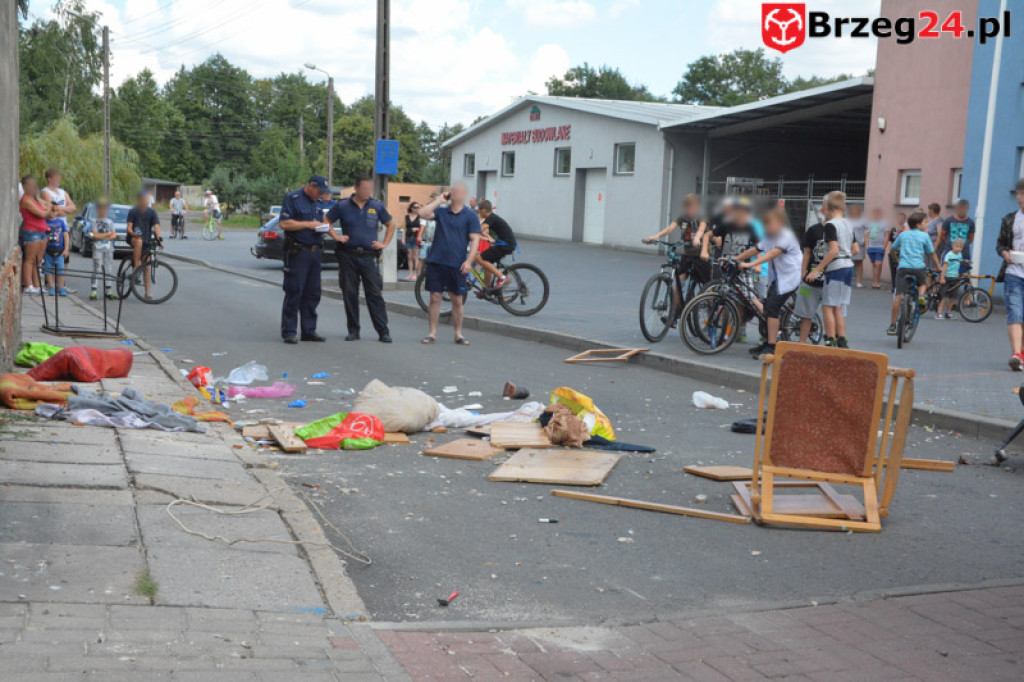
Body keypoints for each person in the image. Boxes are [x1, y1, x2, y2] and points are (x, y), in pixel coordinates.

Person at [326, 176, 395, 343]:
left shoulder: (376, 206)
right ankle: (353, 330)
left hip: (368, 256)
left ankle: (383, 331)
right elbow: (326, 221)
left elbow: (391, 224)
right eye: (364, 188)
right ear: (356, 188)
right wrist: (336, 236)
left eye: (369, 189)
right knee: (350, 293)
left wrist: (384, 243)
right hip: (348, 255)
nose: (367, 192)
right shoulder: (342, 205)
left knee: (375, 294)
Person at [415, 182, 480, 345]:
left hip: (457, 262)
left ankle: (458, 334)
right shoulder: (442, 211)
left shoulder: (470, 215)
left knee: (457, 300)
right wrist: (439, 200)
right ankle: (432, 333)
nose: (455, 193)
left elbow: (475, 239)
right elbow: (422, 213)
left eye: (458, 191)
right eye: (453, 191)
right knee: (435, 297)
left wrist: (469, 261)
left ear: (464, 194)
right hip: (437, 260)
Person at [737, 207, 802, 357]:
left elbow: (772, 254)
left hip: (790, 278)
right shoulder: (770, 237)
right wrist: (735, 259)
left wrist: (749, 264)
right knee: (767, 309)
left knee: (771, 309)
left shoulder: (786, 236)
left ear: (779, 223)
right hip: (779, 278)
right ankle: (767, 342)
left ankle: (772, 346)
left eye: (769, 224)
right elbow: (755, 250)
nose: (766, 227)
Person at [279, 176, 337, 344]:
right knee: (294, 290)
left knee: (313, 293)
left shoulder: (317, 203)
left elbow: (318, 223)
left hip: (315, 251)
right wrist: (308, 224)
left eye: (323, 193)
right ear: (310, 186)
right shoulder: (293, 198)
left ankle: (309, 330)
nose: (321, 195)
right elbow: (284, 224)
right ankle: (289, 331)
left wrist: (322, 228)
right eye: (319, 191)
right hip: (298, 252)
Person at [644, 193, 709, 319]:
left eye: (691, 208)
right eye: (686, 208)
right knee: (679, 283)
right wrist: (655, 236)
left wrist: (697, 238)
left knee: (707, 284)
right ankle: (673, 315)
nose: (688, 211)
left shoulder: (702, 217)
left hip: (701, 255)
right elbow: (670, 228)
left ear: (697, 207)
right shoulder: (682, 217)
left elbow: (702, 229)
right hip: (687, 255)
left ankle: (712, 311)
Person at [806, 191, 857, 348]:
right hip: (849, 266)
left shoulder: (830, 225)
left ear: (826, 207)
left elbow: (833, 250)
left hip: (836, 268)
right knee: (838, 306)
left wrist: (817, 270)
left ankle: (829, 338)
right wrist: (845, 254)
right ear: (843, 207)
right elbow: (856, 249)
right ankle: (842, 339)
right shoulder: (849, 224)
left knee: (827, 306)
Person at [887, 212, 939, 336]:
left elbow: (892, 250)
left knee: (898, 295)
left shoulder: (903, 234)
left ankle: (893, 325)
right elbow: (932, 253)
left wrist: (896, 260)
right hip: (918, 267)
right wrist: (938, 267)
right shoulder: (924, 236)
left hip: (903, 267)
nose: (927, 224)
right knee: (923, 283)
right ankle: (921, 296)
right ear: (918, 224)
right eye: (925, 222)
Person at [995, 179, 1024, 370]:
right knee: (1015, 313)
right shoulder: (1009, 219)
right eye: (1018, 194)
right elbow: (1000, 245)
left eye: (1023, 194)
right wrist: (1006, 254)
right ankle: (1016, 354)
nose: (1019, 198)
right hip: (1014, 273)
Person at [40, 168, 76, 296]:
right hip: (51, 227)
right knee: (49, 259)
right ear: (50, 179)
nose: (58, 180)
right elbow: (51, 208)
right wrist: (63, 209)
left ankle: (62, 285)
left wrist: (59, 209)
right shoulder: (45, 192)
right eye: (56, 177)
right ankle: (51, 285)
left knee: (64, 259)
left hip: (63, 227)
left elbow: (73, 207)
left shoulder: (62, 192)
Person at [19, 175, 56, 295]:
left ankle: (37, 285)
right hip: (31, 231)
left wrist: (49, 208)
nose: (33, 187)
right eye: (30, 185)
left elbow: (49, 210)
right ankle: (28, 285)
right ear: (24, 186)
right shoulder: (26, 200)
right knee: (29, 260)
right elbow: (42, 214)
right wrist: (49, 207)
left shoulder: (35, 199)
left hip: (41, 232)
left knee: (37, 261)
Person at [795, 214, 827, 343]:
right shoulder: (814, 230)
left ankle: (834, 346)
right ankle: (801, 344)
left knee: (831, 314)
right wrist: (803, 272)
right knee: (805, 315)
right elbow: (807, 251)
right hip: (810, 280)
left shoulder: (839, 230)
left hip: (830, 281)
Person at [126, 190, 163, 300]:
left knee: (147, 265)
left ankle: (147, 292)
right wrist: (134, 234)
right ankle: (136, 269)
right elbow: (129, 228)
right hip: (133, 238)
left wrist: (159, 239)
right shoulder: (133, 211)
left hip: (146, 239)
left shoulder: (152, 212)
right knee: (139, 241)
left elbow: (156, 226)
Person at [475, 200, 516, 290]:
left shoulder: (491, 218)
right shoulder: (491, 218)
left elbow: (480, 229)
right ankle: (487, 289)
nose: (478, 212)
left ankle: (503, 278)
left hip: (505, 245)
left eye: (479, 210)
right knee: (487, 263)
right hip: (505, 244)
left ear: (484, 210)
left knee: (479, 258)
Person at [87, 201, 118, 300]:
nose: (103, 210)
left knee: (108, 268)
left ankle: (108, 290)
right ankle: (94, 290)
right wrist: (107, 234)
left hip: (108, 248)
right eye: (101, 208)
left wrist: (104, 236)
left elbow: (114, 235)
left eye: (105, 208)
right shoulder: (94, 221)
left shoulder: (110, 222)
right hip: (98, 248)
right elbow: (95, 235)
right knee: (97, 268)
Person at [938, 200, 975, 277]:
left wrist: (962, 245)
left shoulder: (970, 222)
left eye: (964, 209)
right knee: (946, 274)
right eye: (960, 208)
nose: (962, 211)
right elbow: (942, 235)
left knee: (960, 276)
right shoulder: (948, 220)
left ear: (967, 209)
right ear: (957, 208)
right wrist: (951, 244)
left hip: (964, 254)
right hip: (949, 252)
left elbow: (971, 238)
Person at [936, 239, 965, 320]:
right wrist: (942, 277)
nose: (958, 249)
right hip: (947, 277)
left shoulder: (960, 255)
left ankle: (948, 312)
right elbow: (945, 267)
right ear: (952, 246)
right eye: (957, 246)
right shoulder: (949, 255)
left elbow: (959, 265)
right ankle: (939, 312)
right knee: (944, 296)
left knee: (953, 297)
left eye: (960, 247)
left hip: (955, 277)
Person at [43, 208, 69, 296]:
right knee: (48, 269)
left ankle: (61, 287)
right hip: (47, 250)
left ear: (57, 212)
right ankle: (52, 286)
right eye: (50, 211)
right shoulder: (44, 222)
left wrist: (66, 249)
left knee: (60, 270)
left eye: (54, 211)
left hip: (60, 251)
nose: (52, 213)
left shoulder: (61, 222)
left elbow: (66, 235)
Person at [865, 208, 888, 289]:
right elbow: (867, 235)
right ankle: (875, 283)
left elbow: (887, 236)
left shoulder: (884, 224)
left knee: (878, 264)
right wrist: (867, 246)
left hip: (880, 247)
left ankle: (877, 283)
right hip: (871, 247)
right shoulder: (870, 224)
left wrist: (884, 247)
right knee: (874, 265)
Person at [884, 212, 907, 293]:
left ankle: (901, 288)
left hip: (902, 252)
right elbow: (891, 241)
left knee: (901, 271)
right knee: (893, 270)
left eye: (902, 218)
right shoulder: (894, 229)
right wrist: (889, 251)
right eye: (899, 218)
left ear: (905, 219)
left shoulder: (906, 230)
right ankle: (893, 287)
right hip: (893, 252)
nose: (900, 220)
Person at [849, 204, 867, 288]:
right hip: (849, 244)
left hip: (860, 244)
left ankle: (859, 282)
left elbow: (868, 231)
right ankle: (848, 280)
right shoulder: (847, 220)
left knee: (859, 263)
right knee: (849, 263)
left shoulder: (863, 220)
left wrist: (865, 241)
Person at [403, 203, 422, 281]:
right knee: (409, 257)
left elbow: (423, 227)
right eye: (415, 207)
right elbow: (404, 228)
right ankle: (410, 274)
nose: (417, 209)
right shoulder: (407, 217)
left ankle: (416, 274)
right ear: (411, 208)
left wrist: (417, 229)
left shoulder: (420, 217)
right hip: (408, 238)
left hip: (416, 238)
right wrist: (403, 238)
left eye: (418, 207)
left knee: (415, 257)